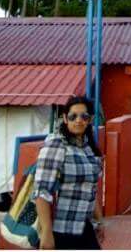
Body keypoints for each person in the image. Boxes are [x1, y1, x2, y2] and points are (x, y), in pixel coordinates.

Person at [34, 95, 103, 250]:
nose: (78, 120)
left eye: (84, 116)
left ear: (90, 120)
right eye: (73, 116)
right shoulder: (56, 145)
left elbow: (91, 189)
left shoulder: (89, 148)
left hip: (84, 228)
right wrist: (46, 232)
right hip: (60, 231)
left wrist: (99, 221)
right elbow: (41, 191)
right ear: (65, 118)